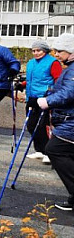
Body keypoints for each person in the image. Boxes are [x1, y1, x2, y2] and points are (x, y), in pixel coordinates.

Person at [37, 33, 74, 213]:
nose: (56, 54)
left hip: (71, 121)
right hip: (67, 118)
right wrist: (50, 92)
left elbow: (70, 92)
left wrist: (48, 101)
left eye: (60, 51)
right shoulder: (70, 67)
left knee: (54, 149)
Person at [17, 40, 61, 164]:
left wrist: (53, 94)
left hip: (45, 98)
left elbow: (58, 79)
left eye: (39, 50)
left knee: (43, 125)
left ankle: (48, 152)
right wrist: (22, 85)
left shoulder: (52, 62)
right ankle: (39, 150)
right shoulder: (31, 63)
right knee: (31, 124)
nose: (36, 53)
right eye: (34, 51)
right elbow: (32, 79)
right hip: (32, 97)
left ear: (45, 50)